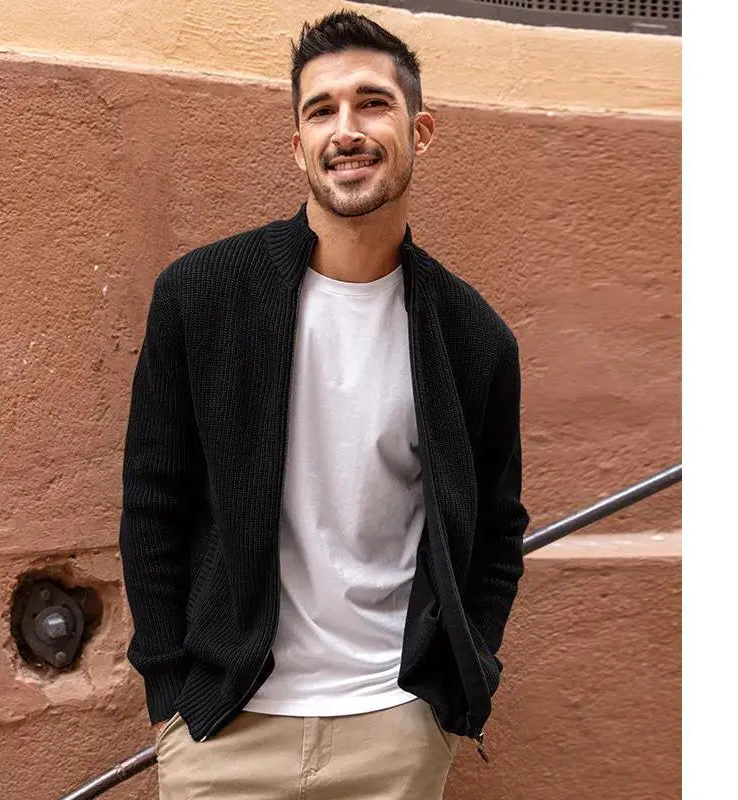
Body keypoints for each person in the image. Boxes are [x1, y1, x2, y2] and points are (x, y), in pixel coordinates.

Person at [119, 10, 529, 800]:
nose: (347, 130)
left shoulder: (474, 339)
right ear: (298, 145)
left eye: (373, 103)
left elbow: (497, 531)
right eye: (321, 110)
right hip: (225, 728)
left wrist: (446, 700)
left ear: (421, 130)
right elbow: (153, 505)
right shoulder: (201, 298)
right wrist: (169, 696)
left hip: (393, 730)